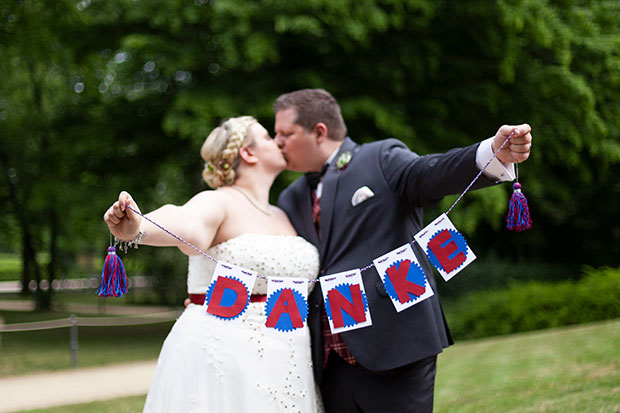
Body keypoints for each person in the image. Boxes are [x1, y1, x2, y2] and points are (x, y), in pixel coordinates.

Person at [274, 88, 533, 412]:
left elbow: (432, 172)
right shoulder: (289, 198)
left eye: (285, 133)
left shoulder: (380, 157)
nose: (277, 143)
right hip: (327, 360)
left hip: (395, 343)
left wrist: (492, 151)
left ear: (319, 132)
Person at [103, 116, 323, 412]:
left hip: (291, 358)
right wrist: (139, 227)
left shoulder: (285, 214)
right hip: (226, 355)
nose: (278, 141)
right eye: (268, 137)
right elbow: (186, 221)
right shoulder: (218, 202)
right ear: (248, 153)